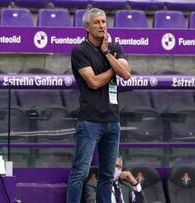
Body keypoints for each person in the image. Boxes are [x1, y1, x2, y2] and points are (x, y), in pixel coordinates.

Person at [67, 7, 131, 203]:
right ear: (87, 27)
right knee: (80, 172)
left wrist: (106, 53)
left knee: (107, 175)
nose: (102, 26)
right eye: (97, 22)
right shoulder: (80, 51)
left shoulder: (113, 47)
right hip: (90, 121)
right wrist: (115, 69)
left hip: (113, 120)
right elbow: (93, 82)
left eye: (104, 22)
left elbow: (127, 74)